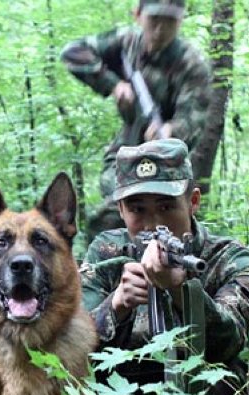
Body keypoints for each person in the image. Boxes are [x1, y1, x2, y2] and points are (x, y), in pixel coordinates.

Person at [80, 138, 249, 395]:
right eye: (137, 209)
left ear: (192, 202)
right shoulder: (106, 252)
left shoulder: (228, 256)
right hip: (125, 392)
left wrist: (182, 290)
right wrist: (117, 305)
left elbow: (231, 338)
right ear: (120, 209)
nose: (153, 223)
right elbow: (74, 340)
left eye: (166, 207)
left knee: (227, 380)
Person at [61, 0, 211, 239]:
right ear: (138, 15)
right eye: (154, 21)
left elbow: (194, 118)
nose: (160, 30)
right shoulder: (126, 42)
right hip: (128, 146)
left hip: (169, 159)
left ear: (181, 21)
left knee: (166, 216)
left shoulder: (192, 65)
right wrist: (113, 85)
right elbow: (72, 53)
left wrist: (171, 130)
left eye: (169, 22)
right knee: (113, 211)